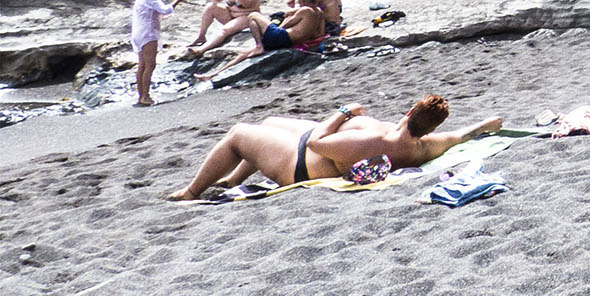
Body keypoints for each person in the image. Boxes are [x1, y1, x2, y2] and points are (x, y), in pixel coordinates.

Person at [167, 95, 503, 201]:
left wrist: (344, 112)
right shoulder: (425, 146)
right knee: (269, 122)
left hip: (300, 163)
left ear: (410, 111)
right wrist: (485, 125)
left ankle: (192, 191)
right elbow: (460, 136)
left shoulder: (376, 141)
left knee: (240, 133)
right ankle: (229, 180)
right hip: (317, 150)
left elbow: (317, 142)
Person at [191, 0, 328, 77]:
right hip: (290, 42)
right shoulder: (320, 13)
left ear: (304, 1)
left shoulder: (305, 10)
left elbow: (285, 25)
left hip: (283, 37)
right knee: (243, 54)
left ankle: (258, 46)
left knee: (253, 16)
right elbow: (320, 34)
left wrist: (277, 23)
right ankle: (212, 74)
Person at [131, 0, 189, 106]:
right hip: (148, 33)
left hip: (138, 33)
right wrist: (177, 1)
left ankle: (141, 96)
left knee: (142, 65)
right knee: (150, 65)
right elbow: (165, 9)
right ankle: (145, 96)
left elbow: (156, 14)